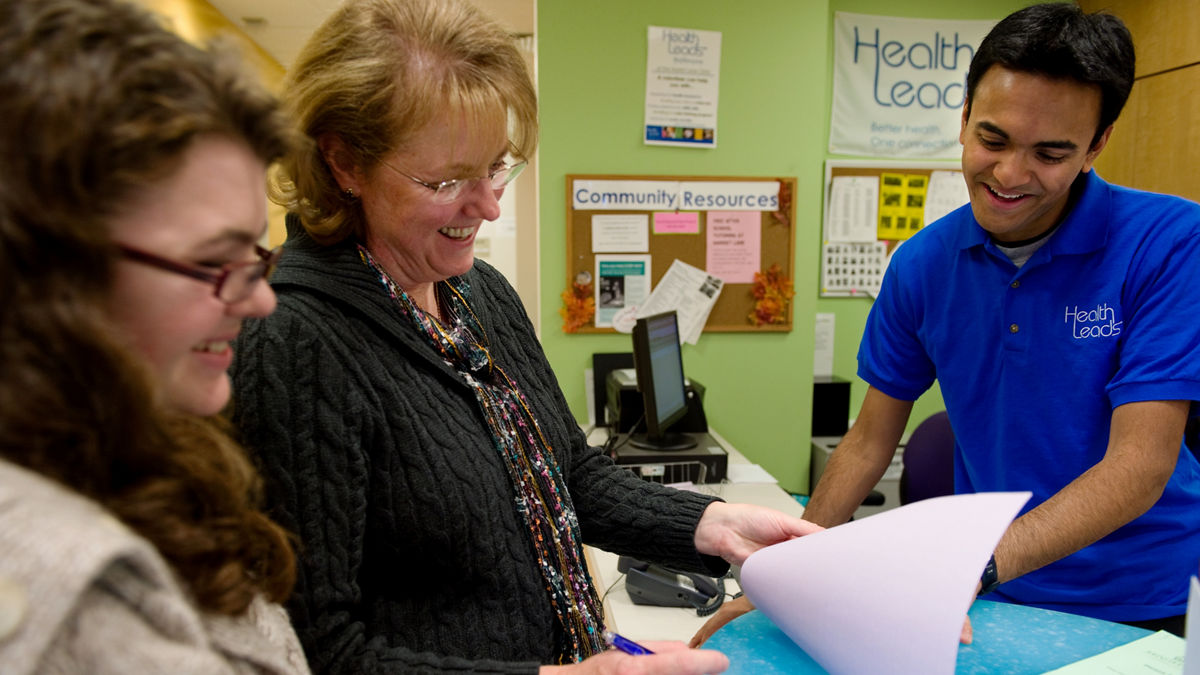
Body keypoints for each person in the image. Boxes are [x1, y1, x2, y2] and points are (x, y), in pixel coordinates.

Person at [227, 0, 819, 672]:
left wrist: (712, 525)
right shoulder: (293, 342)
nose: (489, 205)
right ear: (344, 164)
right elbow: (322, 651)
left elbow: (571, 473)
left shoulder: (480, 294)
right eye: (447, 180)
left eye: (497, 167)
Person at [693, 2, 1200, 646]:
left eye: (1050, 152)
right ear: (962, 119)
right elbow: (872, 438)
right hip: (996, 598)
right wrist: (775, 581)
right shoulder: (923, 264)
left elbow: (1140, 465)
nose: (1010, 175)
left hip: (1141, 599)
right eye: (993, 140)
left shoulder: (1170, 243)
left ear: (1096, 145)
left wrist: (970, 566)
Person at [0, 0, 310, 671]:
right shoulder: (69, 615)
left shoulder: (143, 454)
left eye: (255, 256)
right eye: (212, 261)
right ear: (46, 265)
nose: (260, 299)